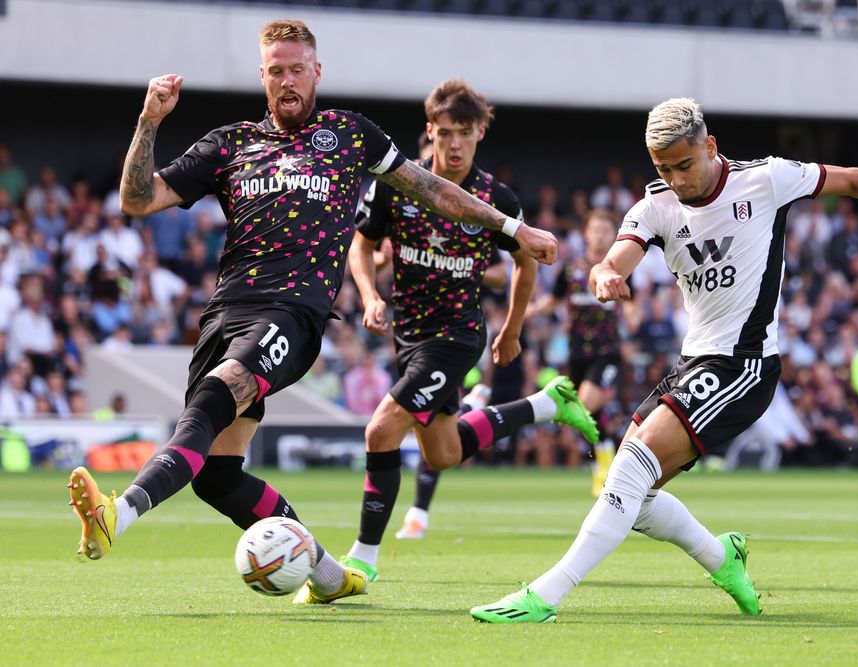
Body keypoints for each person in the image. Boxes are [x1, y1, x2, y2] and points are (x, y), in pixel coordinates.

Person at [66, 19, 558, 608]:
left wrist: (511, 227)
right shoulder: (228, 144)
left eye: (298, 68)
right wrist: (149, 122)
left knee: (213, 399)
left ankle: (117, 514)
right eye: (276, 71)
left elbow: (432, 190)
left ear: (316, 72)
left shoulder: (351, 135)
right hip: (225, 313)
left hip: (293, 313)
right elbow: (137, 199)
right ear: (264, 77)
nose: (288, 80)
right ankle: (328, 576)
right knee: (217, 475)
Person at [470, 97, 858, 623]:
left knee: (627, 472)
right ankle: (721, 556)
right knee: (634, 496)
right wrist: (603, 275)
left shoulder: (767, 180)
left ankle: (545, 596)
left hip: (746, 364)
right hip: (694, 364)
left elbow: (851, 179)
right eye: (663, 168)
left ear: (710, 146)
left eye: (684, 165)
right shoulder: (655, 207)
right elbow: (615, 257)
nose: (677, 179)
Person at [341, 79, 598, 571]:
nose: (454, 144)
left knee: (380, 431)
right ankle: (545, 405)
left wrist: (513, 328)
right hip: (408, 336)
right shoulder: (396, 185)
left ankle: (363, 558)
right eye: (445, 133)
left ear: (480, 132)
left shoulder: (493, 199)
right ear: (429, 132)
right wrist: (371, 294)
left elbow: (525, 263)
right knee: (443, 454)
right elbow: (362, 245)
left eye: (464, 132)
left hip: (457, 336)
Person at [529, 209, 636, 495]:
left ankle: (606, 467)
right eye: (595, 229)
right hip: (577, 353)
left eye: (605, 230)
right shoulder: (571, 268)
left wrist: (634, 316)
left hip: (608, 352)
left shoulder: (619, 269)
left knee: (587, 405)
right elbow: (553, 300)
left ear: (613, 236)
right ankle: (607, 462)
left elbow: (632, 303)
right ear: (586, 233)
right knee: (589, 415)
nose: (600, 235)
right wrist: (528, 312)